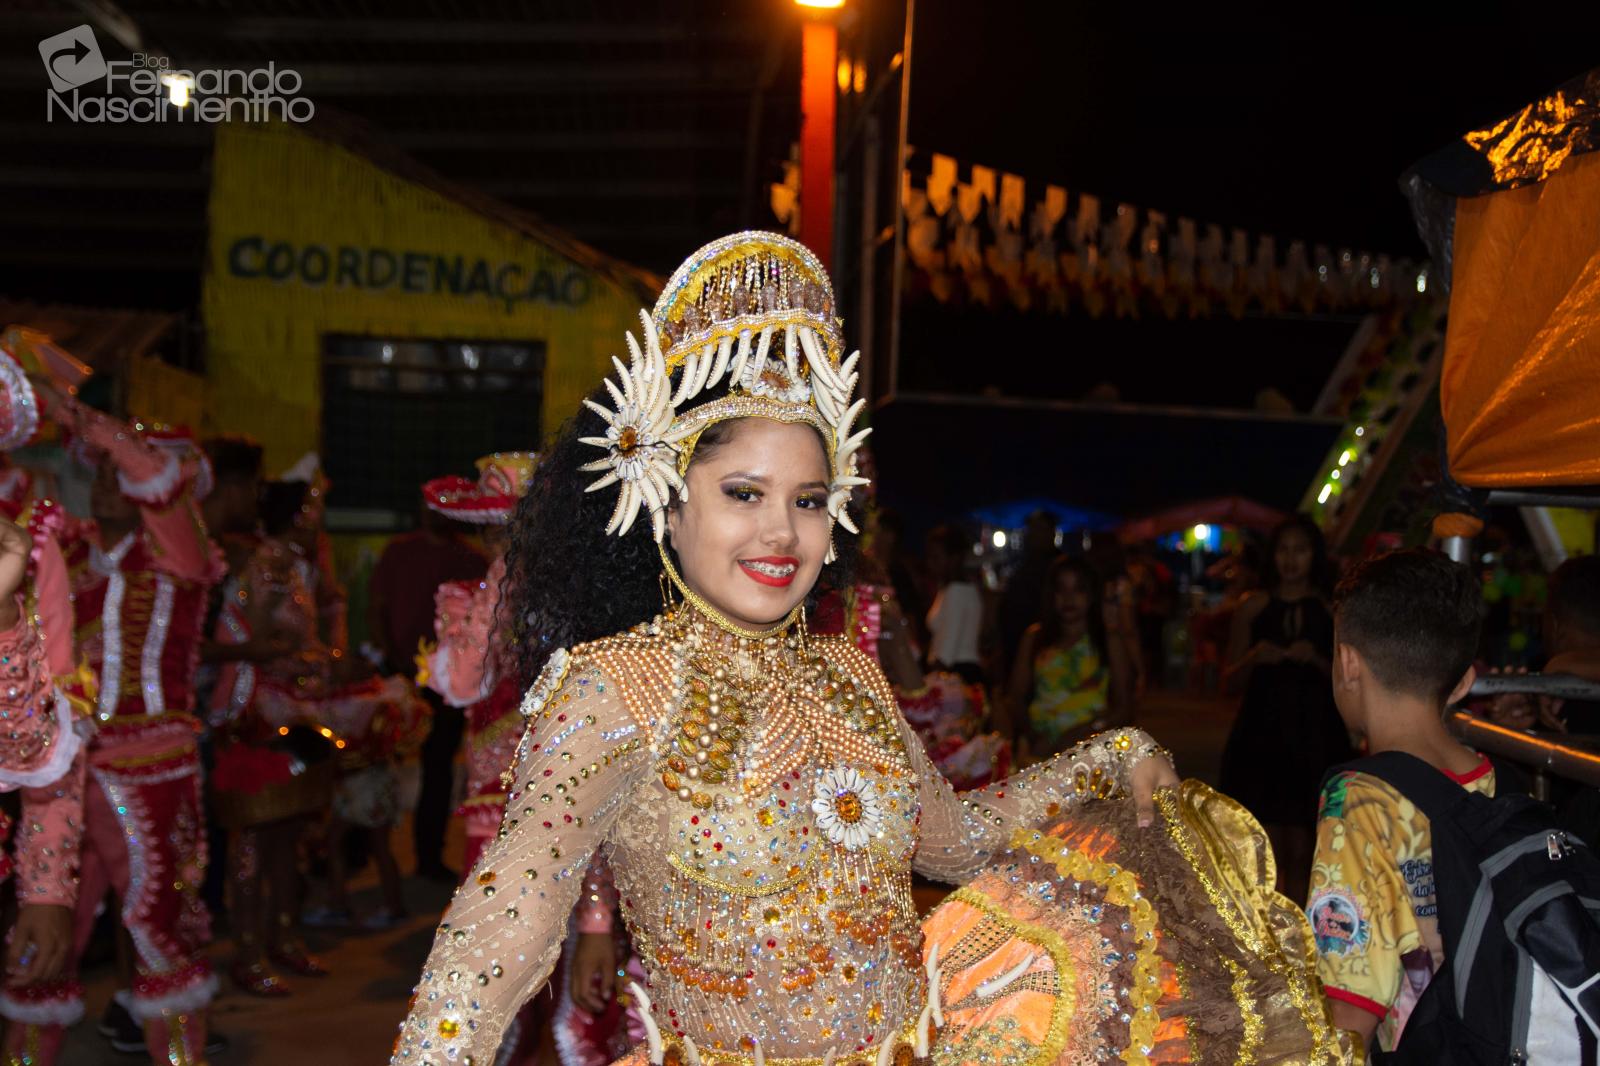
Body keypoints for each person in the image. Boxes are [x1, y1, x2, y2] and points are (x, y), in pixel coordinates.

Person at [392, 232, 1354, 1065]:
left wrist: (1104, 760)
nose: (782, 533)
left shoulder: (846, 674)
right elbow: (499, 931)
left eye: (808, 501)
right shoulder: (611, 690)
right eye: (744, 493)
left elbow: (954, 842)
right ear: (666, 500)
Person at [13, 383, 224, 1064]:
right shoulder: (66, 555)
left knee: (163, 930)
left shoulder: (181, 554)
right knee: (47, 932)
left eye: (120, 468)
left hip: (152, 770)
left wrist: (85, 419)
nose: (107, 480)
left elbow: (159, 487)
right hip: (64, 771)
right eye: (97, 469)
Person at [1309, 549, 1491, 1055]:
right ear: (1462, 684)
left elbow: (1351, 1009)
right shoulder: (1504, 784)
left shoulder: (1359, 800)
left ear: (1347, 663)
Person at [1218, 514, 1353, 903]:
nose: (1291, 560)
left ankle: (1306, 937)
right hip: (1262, 737)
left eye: (1301, 550)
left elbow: (1350, 683)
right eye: (1283, 550)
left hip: (1315, 737)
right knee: (1265, 849)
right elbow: (1228, 681)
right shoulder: (1253, 606)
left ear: (1316, 555)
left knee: (1309, 846)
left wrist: (1315, 660)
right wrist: (1255, 658)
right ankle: (1273, 943)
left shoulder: (1331, 611)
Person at [368, 502, 487, 882]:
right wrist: (390, 659)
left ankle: (428, 856)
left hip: (449, 680)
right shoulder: (400, 551)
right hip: (402, 672)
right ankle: (362, 854)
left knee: (438, 768)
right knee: (377, 762)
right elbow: (377, 608)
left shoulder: (470, 558)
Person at [1004, 556, 1134, 763]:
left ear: (1091, 595)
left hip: (1091, 752)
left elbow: (1125, 705)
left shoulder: (1105, 639)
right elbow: (1016, 697)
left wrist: (1087, 732)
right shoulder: (1035, 638)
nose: (1069, 598)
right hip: (1040, 750)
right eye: (1061, 589)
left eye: (1078, 589)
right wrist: (1032, 735)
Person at [996, 509, 1059, 675]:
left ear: (1052, 532)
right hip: (1015, 647)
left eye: (1040, 529)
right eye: (1032, 529)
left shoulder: (1059, 567)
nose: (1034, 535)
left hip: (1046, 650)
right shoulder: (1022, 566)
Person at [923, 524, 985, 683]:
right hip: (957, 672)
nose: (930, 563)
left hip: (956, 674)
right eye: (928, 557)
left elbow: (946, 654)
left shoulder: (956, 591)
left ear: (954, 558)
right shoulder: (952, 589)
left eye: (936, 557)